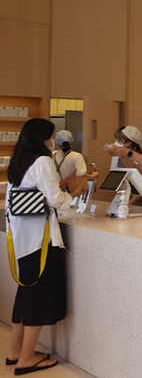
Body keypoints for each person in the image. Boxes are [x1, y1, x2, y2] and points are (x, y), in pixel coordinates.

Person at [5, 118, 86, 374]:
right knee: (37, 299)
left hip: (22, 241)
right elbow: (54, 199)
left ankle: (15, 351)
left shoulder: (19, 162)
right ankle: (26, 358)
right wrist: (72, 196)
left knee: (25, 296)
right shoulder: (42, 161)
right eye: (50, 136)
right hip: (41, 241)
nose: (53, 141)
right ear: (42, 139)